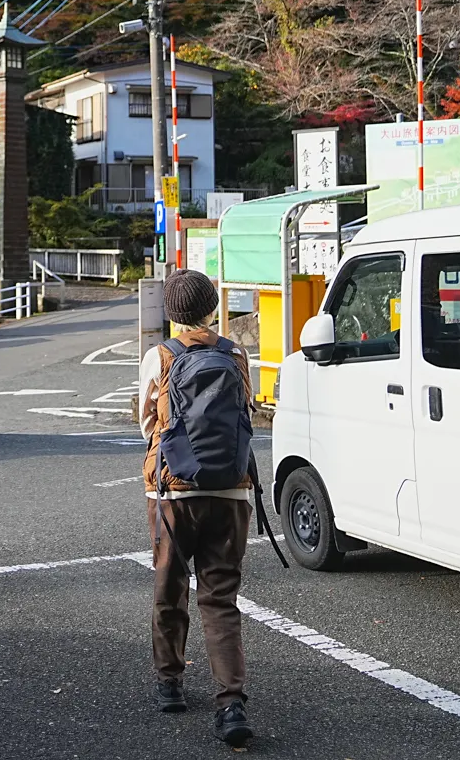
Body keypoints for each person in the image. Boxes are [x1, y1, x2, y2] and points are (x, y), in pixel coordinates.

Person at [138, 268, 255, 748]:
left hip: (173, 492)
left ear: (171, 313)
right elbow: (246, 410)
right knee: (220, 598)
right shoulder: (236, 354)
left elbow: (148, 422)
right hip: (231, 491)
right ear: (212, 308)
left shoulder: (160, 356)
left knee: (169, 588)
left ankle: (170, 682)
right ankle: (231, 703)